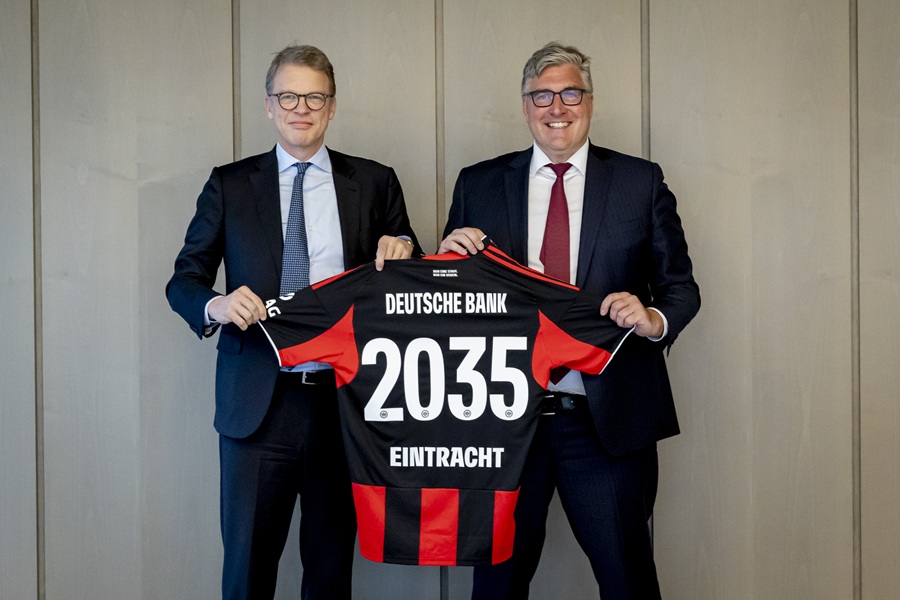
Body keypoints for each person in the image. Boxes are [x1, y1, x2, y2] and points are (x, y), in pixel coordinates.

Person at [439, 42, 700, 599]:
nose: (557, 107)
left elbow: (681, 289)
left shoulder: (639, 181)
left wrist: (653, 317)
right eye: (542, 95)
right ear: (525, 105)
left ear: (590, 101)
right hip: (504, 423)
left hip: (607, 420)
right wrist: (446, 265)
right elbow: (452, 307)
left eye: (570, 93)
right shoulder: (478, 184)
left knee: (627, 581)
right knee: (496, 587)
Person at [166, 44, 421, 600]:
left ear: (332, 106)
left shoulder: (374, 181)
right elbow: (183, 281)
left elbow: (410, 266)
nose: (300, 108)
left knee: (330, 574)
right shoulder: (231, 184)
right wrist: (216, 305)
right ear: (268, 105)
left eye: (314, 97)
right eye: (287, 96)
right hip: (258, 404)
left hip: (345, 405)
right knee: (247, 573)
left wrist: (403, 246)